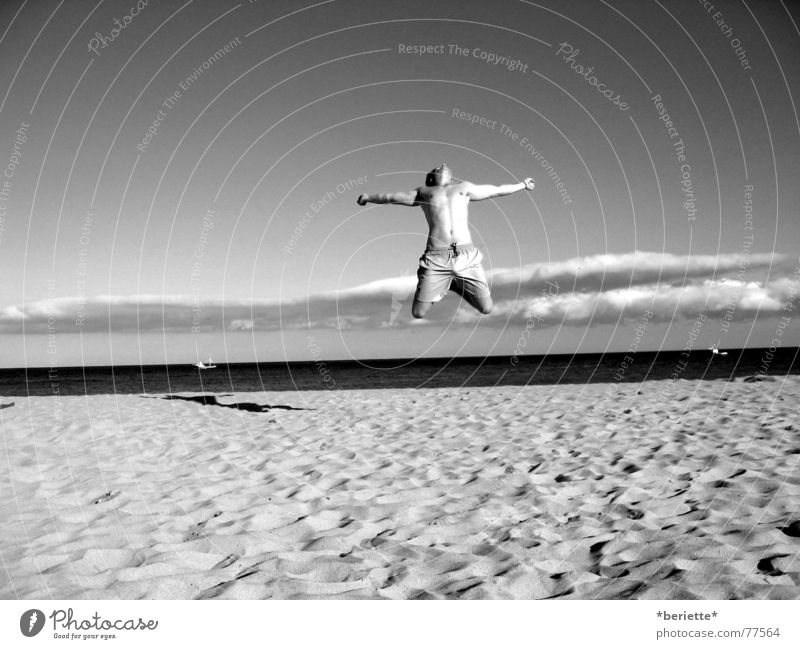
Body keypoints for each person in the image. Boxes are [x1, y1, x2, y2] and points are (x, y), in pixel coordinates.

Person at [357, 163, 534, 318]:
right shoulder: (424, 192)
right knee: (418, 312)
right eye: (435, 168)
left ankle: (456, 285)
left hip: (466, 256)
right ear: (431, 179)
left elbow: (497, 190)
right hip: (436, 258)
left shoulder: (464, 188)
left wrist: (522, 185)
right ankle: (445, 282)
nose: (441, 164)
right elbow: (391, 198)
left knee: (487, 308)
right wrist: (368, 197)